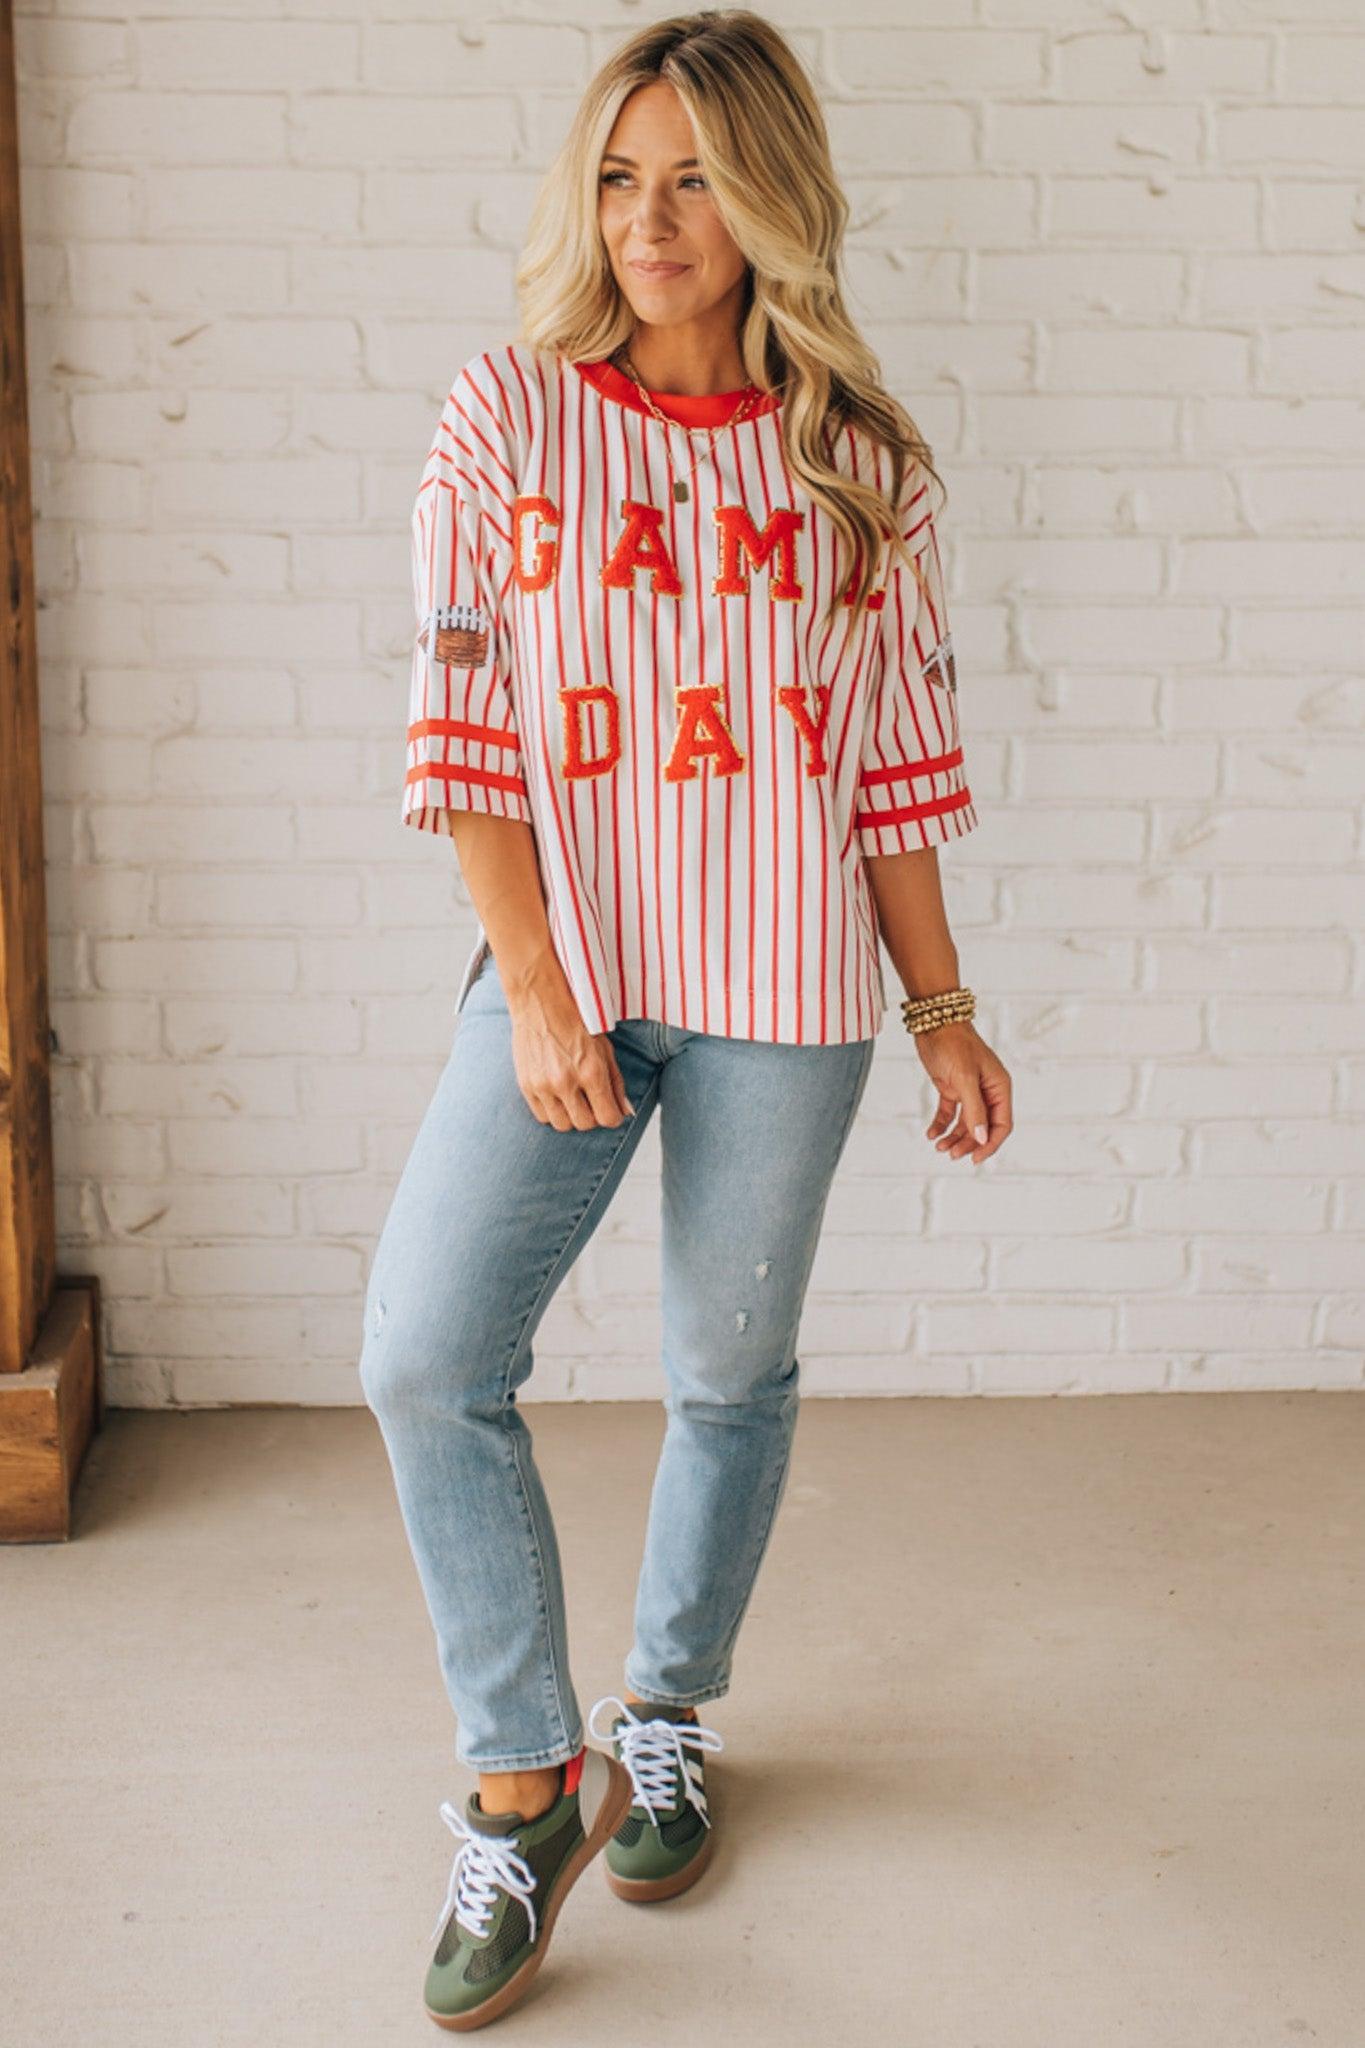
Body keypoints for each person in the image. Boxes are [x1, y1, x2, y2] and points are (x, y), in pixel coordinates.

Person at [359, 7, 1013, 2030]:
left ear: (767, 199)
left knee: (728, 1371)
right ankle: (516, 1773)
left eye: (695, 177)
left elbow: (890, 761)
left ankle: (665, 1712)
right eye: (619, 176)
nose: (650, 218)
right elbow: (461, 734)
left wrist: (940, 1009)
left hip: (786, 989)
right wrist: (539, 987)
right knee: (423, 1352)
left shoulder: (860, 462)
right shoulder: (508, 416)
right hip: (576, 975)